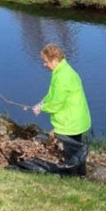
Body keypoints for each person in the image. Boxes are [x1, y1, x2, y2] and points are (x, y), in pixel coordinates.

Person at [31, 44, 91, 174]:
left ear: (54, 60)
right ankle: (81, 176)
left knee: (71, 153)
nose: (44, 65)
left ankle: (73, 177)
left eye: (46, 62)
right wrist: (42, 101)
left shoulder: (62, 77)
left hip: (70, 121)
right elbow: (53, 94)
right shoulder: (62, 70)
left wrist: (42, 108)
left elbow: (56, 103)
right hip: (77, 119)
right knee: (78, 151)